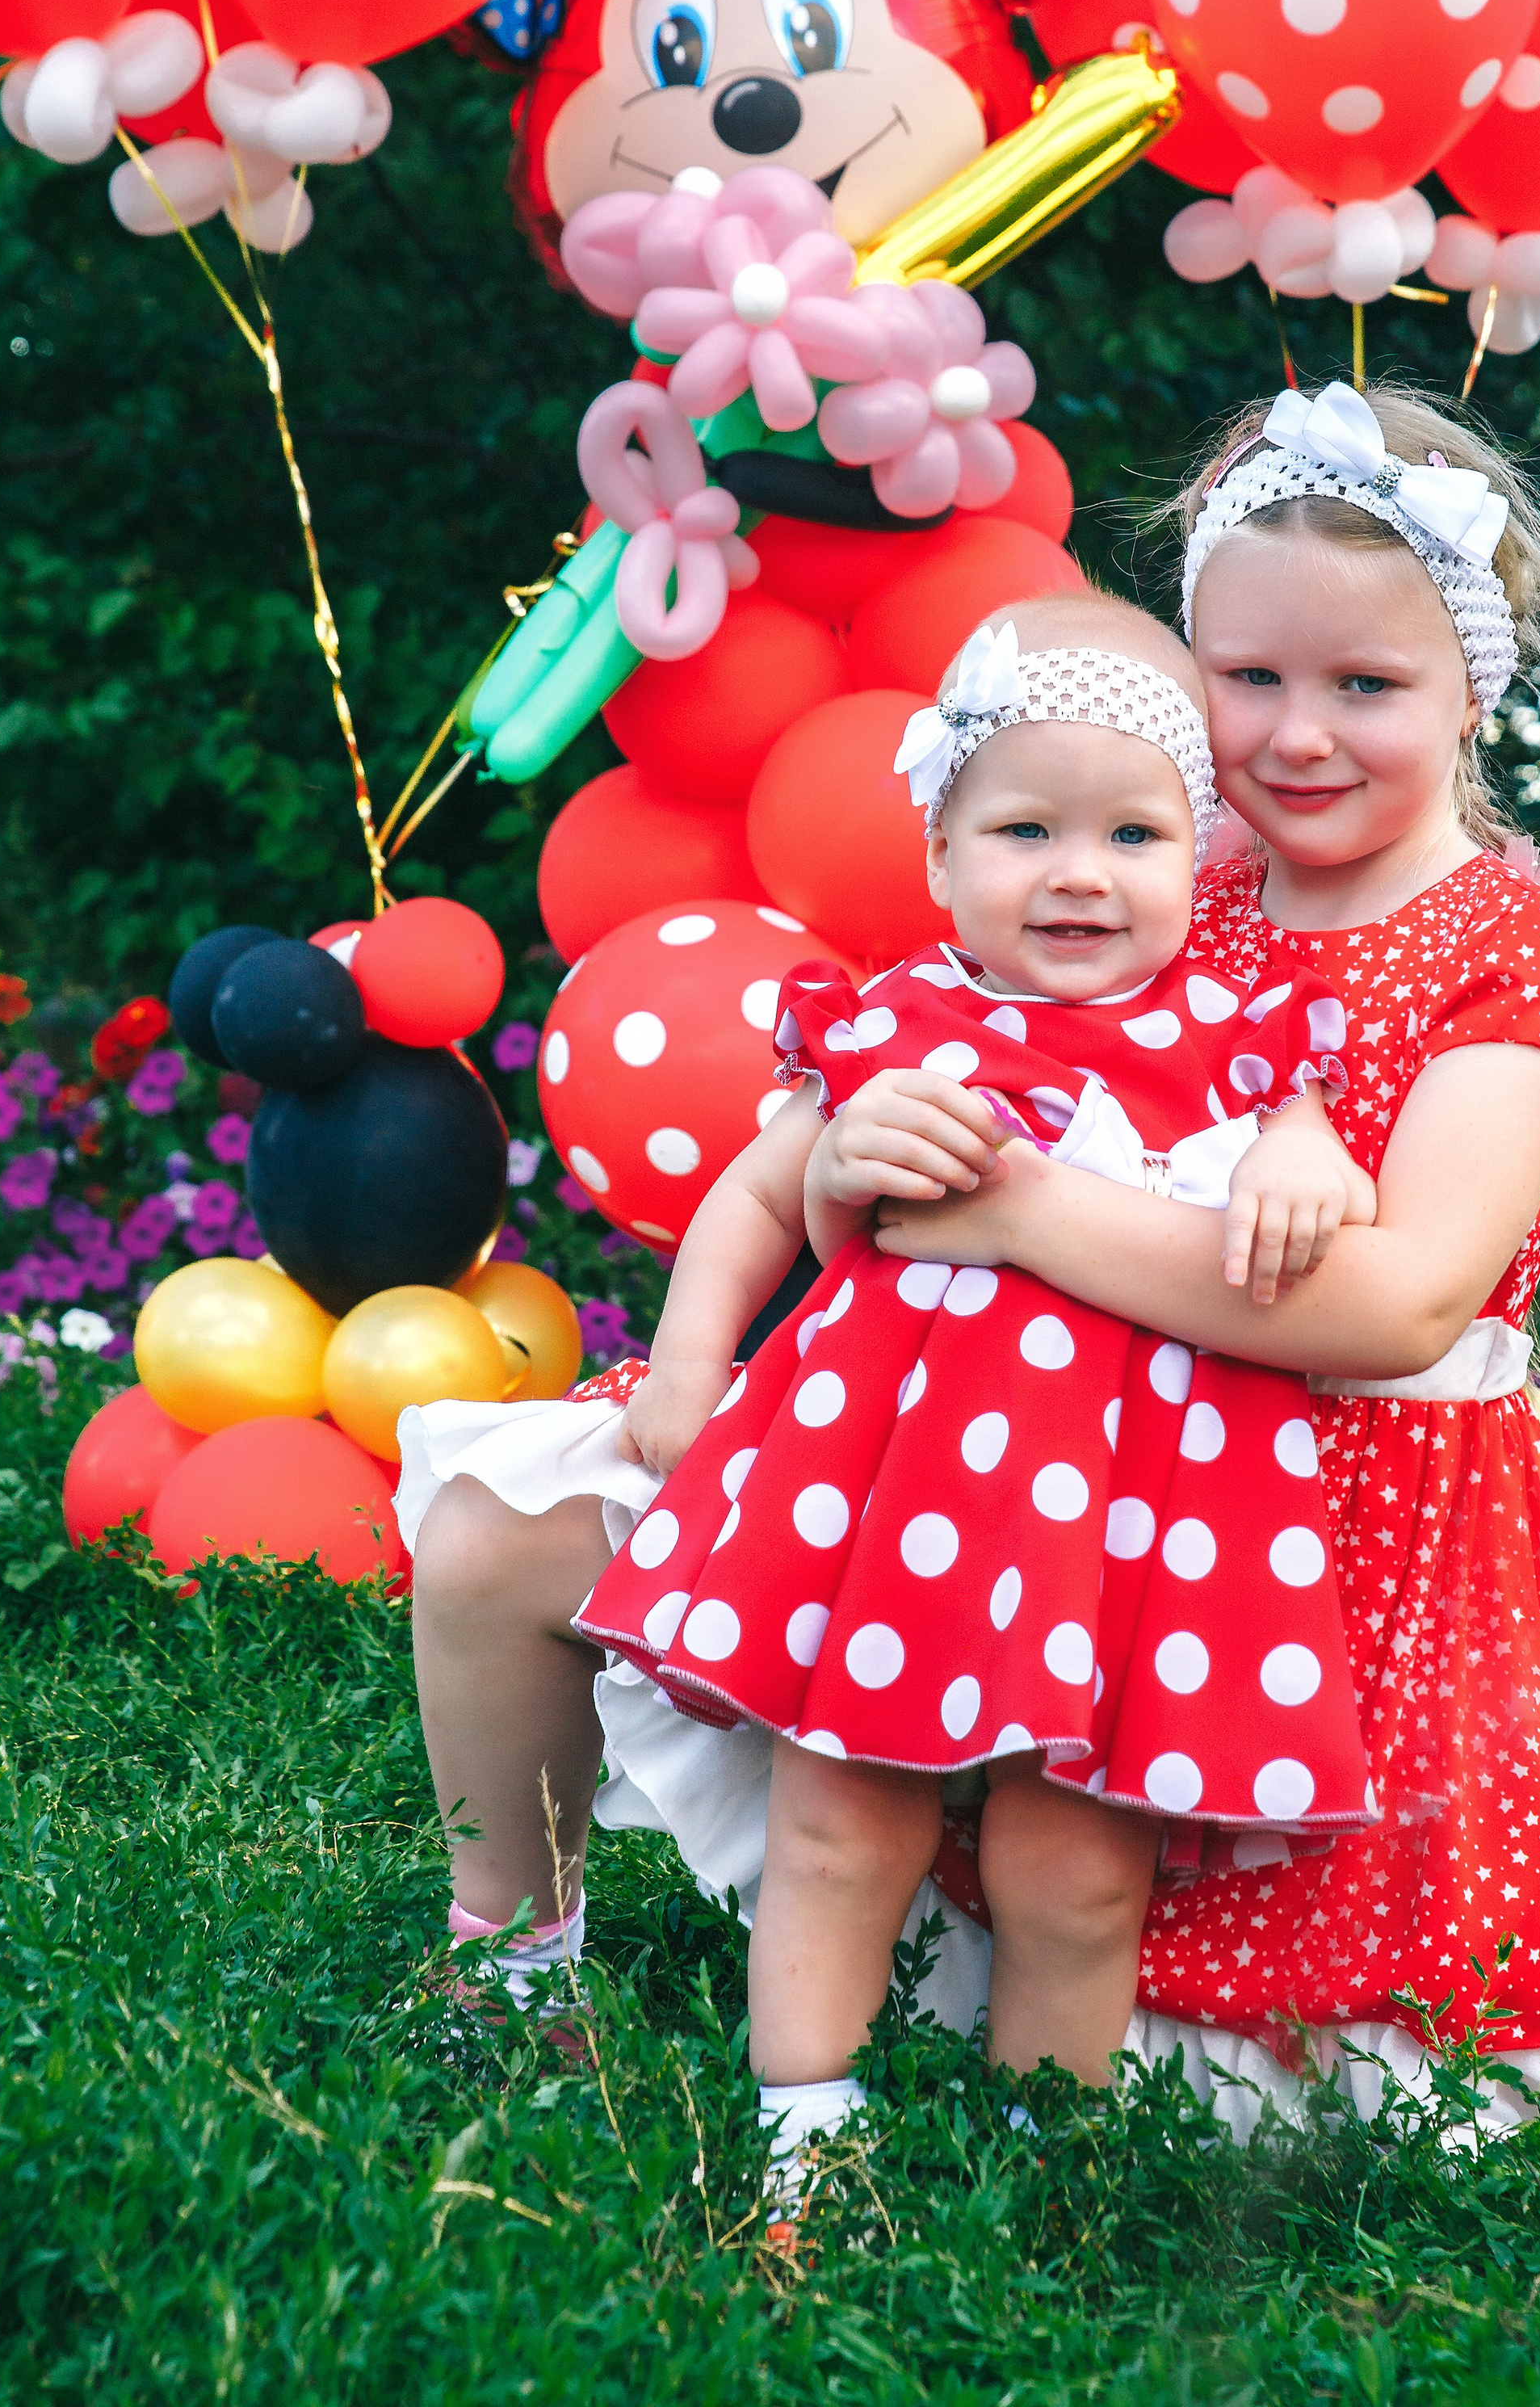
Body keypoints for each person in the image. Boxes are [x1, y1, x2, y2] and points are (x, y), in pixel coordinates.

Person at [405, 587, 1376, 2220]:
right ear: (937, 858)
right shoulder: (895, 1023)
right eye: (1022, 829)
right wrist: (694, 1367)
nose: (1078, 872)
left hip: (1136, 1532)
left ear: (1196, 859)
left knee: (1074, 1872)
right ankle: (806, 2134)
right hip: (893, 1511)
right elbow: (753, 1195)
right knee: (838, 1820)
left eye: (1133, 834)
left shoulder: (1238, 1036)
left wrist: (1298, 1150)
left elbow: (1315, 1167)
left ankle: (1040, 2158)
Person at [861, 378, 1540, 2143]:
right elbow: (986, 1059)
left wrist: (1022, 1208)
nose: (1297, 734)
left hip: (1369, 1524)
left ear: (1469, 689)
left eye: (1365, 687)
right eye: (1246, 680)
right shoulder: (1177, 877)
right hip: (1113, 1469)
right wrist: (868, 1156)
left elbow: (1403, 1299)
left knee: (1296, 1921)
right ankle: (521, 1944)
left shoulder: (1516, 941)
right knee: (1051, 1843)